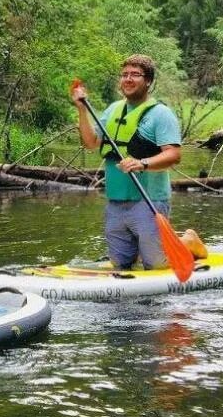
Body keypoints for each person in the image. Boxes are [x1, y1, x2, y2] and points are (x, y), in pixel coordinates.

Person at [71, 55, 206, 269]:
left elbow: (174, 155)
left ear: (149, 81)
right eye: (124, 75)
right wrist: (81, 109)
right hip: (115, 201)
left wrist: (142, 163)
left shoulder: (161, 114)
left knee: (156, 264)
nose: (128, 79)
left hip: (149, 201)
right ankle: (145, 250)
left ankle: (188, 241)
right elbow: (90, 142)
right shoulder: (113, 110)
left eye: (135, 74)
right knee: (121, 263)